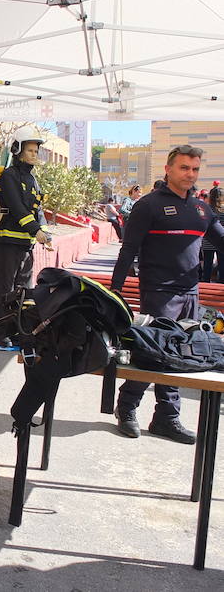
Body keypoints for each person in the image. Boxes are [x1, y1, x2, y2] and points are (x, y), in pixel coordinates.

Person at [111, 144, 224, 444]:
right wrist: (115, 290)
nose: (190, 174)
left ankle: (167, 417)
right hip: (158, 292)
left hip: (190, 293)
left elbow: (221, 240)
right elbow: (128, 251)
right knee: (153, 354)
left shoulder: (201, 209)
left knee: (181, 355)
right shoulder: (148, 206)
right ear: (169, 169)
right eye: (184, 167)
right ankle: (127, 408)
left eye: (195, 169)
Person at [0, 126, 51, 348]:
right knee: (4, 290)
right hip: (7, 242)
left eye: (36, 151)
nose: (35, 154)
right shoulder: (8, 176)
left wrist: (44, 230)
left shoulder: (33, 180)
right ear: (17, 150)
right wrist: (36, 230)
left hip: (26, 243)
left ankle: (17, 331)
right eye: (31, 150)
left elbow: (37, 209)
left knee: (23, 291)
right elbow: (17, 208)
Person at [201, 185, 224, 281]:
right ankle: (221, 283)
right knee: (222, 264)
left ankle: (205, 283)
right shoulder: (223, 210)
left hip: (207, 241)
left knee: (207, 265)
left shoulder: (206, 209)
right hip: (221, 239)